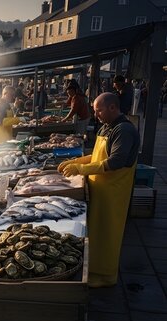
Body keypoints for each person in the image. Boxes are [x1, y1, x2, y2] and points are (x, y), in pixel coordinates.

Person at [58, 92, 139, 288]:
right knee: (95, 232)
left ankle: (106, 276)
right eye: (95, 111)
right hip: (99, 188)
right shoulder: (106, 127)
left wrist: (81, 169)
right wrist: (77, 161)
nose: (97, 115)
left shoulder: (124, 130)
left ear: (113, 107)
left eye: (99, 110)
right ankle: (92, 270)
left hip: (113, 192)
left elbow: (116, 161)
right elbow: (96, 157)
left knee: (108, 233)